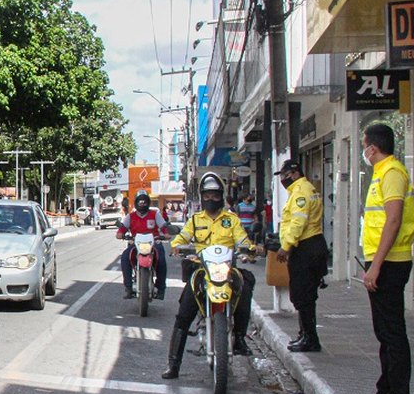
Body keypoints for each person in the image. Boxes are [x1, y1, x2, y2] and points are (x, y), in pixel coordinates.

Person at [163, 172, 256, 379]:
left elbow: (242, 241)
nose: (211, 199)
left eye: (215, 195)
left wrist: (249, 249)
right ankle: (173, 364)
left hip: (227, 270)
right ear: (201, 196)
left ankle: (239, 337)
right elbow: (181, 239)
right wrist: (178, 247)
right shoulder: (195, 221)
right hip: (202, 271)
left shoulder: (231, 220)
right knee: (184, 313)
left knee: (246, 285)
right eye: (207, 195)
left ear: (221, 195)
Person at [355, 123, 414, 394]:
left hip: (391, 262)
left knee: (392, 331)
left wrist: (376, 265)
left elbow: (393, 220)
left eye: (364, 145)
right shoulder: (381, 174)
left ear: (373, 148)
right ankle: (385, 389)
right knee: (383, 329)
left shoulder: (392, 174)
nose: (364, 151)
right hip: (381, 261)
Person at [274, 160, 328, 353]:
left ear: (295, 173)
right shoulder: (305, 189)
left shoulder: (301, 193)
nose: (283, 179)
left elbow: (298, 222)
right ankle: (305, 333)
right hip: (310, 246)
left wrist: (285, 246)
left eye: (285, 175)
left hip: (306, 247)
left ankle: (310, 338)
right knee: (303, 294)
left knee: (303, 295)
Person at [117, 189, 169, 300]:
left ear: (148, 202)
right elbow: (121, 230)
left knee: (161, 259)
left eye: (144, 201)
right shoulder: (130, 216)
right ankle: (128, 287)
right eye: (140, 202)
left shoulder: (155, 214)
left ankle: (161, 288)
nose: (142, 204)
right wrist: (121, 234)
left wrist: (166, 234)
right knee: (125, 257)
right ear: (136, 203)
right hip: (136, 243)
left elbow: (164, 227)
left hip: (154, 242)